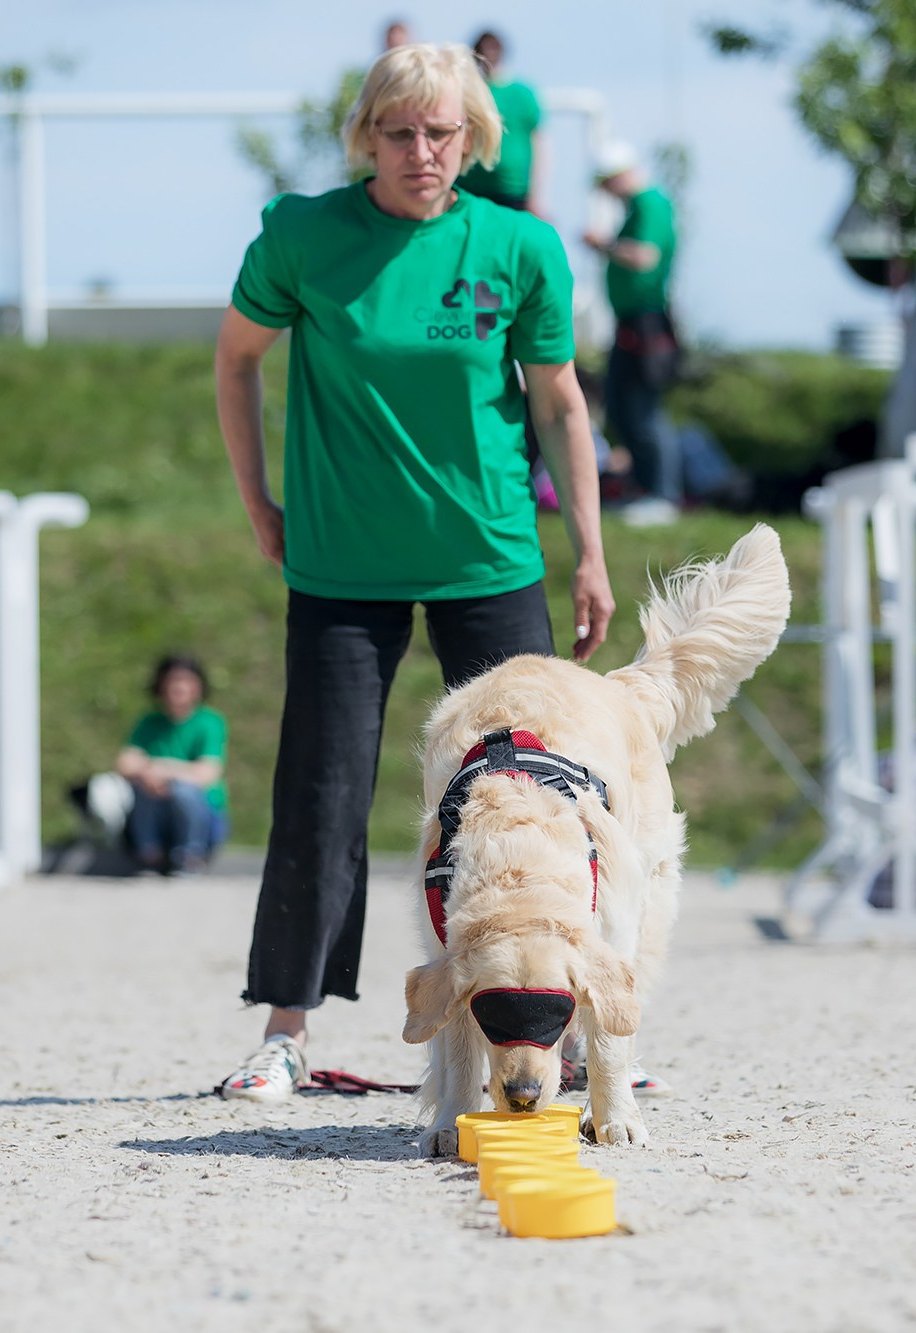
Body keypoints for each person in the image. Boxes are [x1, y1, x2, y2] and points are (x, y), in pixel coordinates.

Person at [211, 42, 614, 1102]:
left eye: (441, 132)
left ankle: (558, 1027)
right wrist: (258, 501)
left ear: (474, 139)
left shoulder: (520, 246)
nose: (420, 152)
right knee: (320, 790)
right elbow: (236, 359)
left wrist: (590, 553)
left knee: (531, 798)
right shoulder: (303, 236)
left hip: (489, 552)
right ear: (366, 138)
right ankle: (285, 1031)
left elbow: (560, 401)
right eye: (398, 133)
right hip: (343, 562)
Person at [585, 142, 681, 526]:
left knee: (643, 410)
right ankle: (644, 491)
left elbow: (645, 257)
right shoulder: (639, 206)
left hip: (647, 322)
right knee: (622, 406)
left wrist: (603, 245)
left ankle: (663, 495)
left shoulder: (650, 204)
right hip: (630, 322)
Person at [116, 655, 228, 875]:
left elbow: (208, 772)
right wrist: (149, 775)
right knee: (143, 786)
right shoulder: (150, 722)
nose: (178, 687)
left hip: (204, 817)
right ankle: (148, 854)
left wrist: (164, 772)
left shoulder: (209, 722)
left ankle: (190, 856)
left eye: (186, 680)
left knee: (182, 790)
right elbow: (125, 762)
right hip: (158, 809)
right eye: (172, 680)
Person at [457, 31, 542, 215]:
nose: (489, 52)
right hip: (470, 185)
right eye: (484, 47)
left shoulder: (523, 94)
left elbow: (539, 143)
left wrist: (536, 195)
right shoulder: (466, 92)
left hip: (512, 189)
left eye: (494, 47)